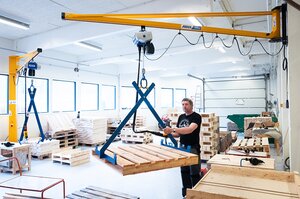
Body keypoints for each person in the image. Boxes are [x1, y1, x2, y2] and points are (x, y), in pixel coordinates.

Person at [163, 98, 202, 197]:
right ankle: (186, 194)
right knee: (184, 171)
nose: (184, 106)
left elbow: (189, 129)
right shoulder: (181, 117)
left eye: (186, 104)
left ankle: (196, 194)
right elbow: (178, 134)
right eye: (183, 104)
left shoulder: (196, 117)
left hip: (193, 148)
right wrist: (169, 133)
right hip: (182, 147)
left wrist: (172, 129)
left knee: (194, 172)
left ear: (191, 105)